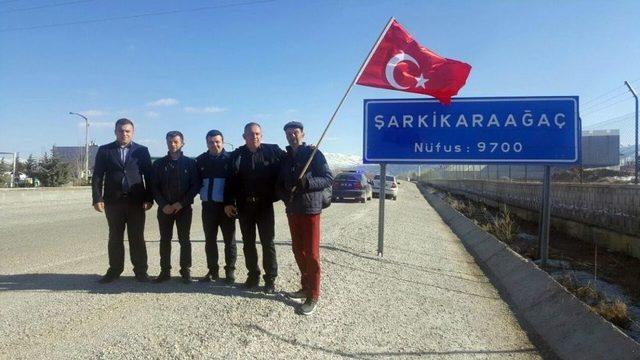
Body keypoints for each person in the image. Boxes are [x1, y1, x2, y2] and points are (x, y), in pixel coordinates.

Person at [277, 121, 333, 315]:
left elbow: (327, 178)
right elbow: (279, 183)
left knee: (311, 253)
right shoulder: (285, 158)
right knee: (297, 250)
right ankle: (305, 286)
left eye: (295, 132)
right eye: (289, 133)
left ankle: (313, 294)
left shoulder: (314, 154)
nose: (292, 136)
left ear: (302, 134)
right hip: (293, 209)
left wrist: (307, 182)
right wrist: (285, 196)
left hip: (310, 209)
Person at [224, 122, 286, 293]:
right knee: (248, 243)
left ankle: (270, 279)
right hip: (244, 207)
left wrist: (306, 150)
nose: (255, 136)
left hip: (265, 206)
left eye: (257, 133)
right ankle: (253, 275)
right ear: (244, 137)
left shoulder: (273, 151)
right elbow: (229, 181)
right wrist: (229, 202)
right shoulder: (236, 155)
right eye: (251, 134)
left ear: (262, 135)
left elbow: (293, 159)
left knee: (268, 242)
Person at [92, 118, 153, 283]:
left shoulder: (142, 151)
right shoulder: (105, 150)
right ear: (115, 132)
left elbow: (149, 176)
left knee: (137, 238)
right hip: (113, 202)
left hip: (136, 202)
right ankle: (114, 270)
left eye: (127, 131)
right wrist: (97, 198)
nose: (124, 134)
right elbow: (98, 175)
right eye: (121, 131)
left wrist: (149, 198)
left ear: (132, 132)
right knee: (115, 237)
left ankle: (141, 271)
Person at [151, 131, 199, 284]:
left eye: (176, 142)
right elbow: (154, 186)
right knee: (165, 240)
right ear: (166, 143)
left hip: (183, 209)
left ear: (182, 143)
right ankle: (165, 271)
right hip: (165, 209)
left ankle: (185, 270)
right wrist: (163, 204)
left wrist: (182, 203)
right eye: (170, 142)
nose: (173, 145)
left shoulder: (190, 164)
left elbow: (195, 186)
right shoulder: (158, 164)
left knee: (184, 240)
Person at [196, 130, 237, 284]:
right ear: (207, 143)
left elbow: (237, 183)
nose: (215, 144)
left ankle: (230, 271)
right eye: (211, 142)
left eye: (217, 141)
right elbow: (195, 183)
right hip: (208, 207)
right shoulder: (200, 160)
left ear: (223, 141)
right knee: (210, 241)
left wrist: (232, 203)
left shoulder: (231, 159)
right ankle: (213, 271)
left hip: (227, 207)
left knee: (229, 241)